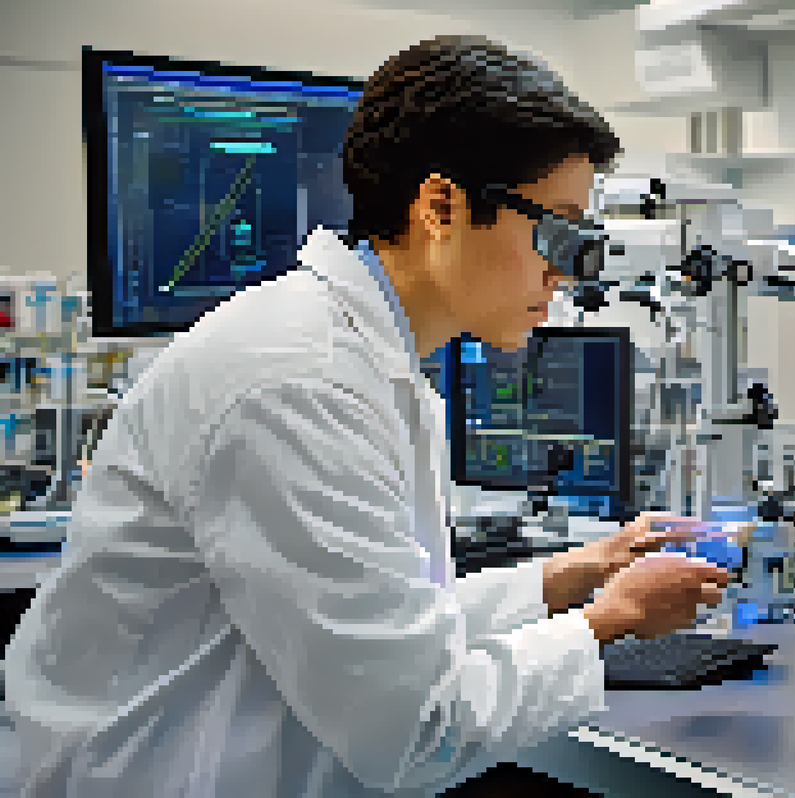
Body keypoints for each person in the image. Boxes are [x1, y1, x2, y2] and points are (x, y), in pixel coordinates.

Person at [2, 35, 729, 798]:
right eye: (559, 232)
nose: (567, 270)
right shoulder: (295, 381)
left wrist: (570, 576)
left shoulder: (354, 354)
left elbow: (390, 625)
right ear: (441, 206)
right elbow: (419, 728)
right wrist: (606, 620)